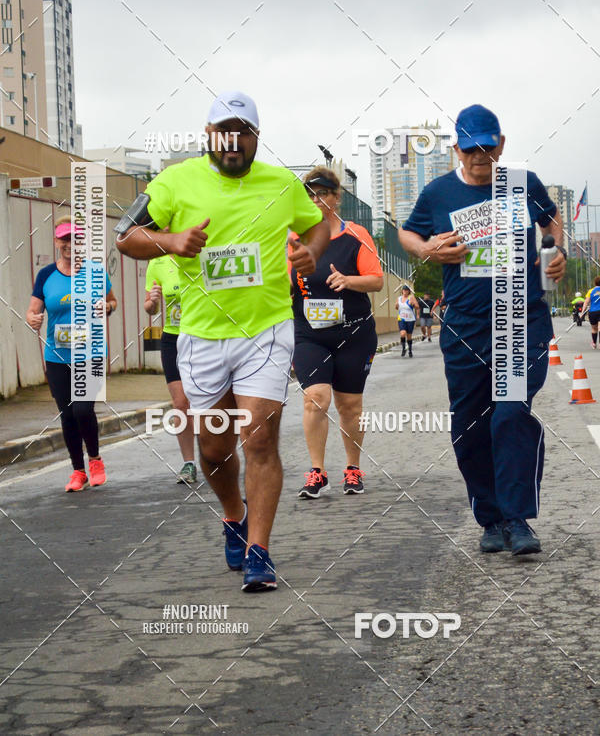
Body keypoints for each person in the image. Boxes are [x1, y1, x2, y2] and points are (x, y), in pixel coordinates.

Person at [116, 90, 329, 591]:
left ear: (256, 137)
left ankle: (259, 550)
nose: (234, 141)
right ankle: (234, 514)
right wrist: (170, 241)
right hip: (201, 335)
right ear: (210, 135)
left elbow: (318, 226)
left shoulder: (282, 184)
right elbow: (125, 236)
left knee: (259, 437)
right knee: (213, 449)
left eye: (244, 132)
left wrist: (311, 254)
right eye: (225, 132)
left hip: (265, 329)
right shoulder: (174, 182)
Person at [398, 104, 566, 556]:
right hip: (466, 325)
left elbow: (550, 219)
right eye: (470, 149)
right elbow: (407, 234)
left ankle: (517, 518)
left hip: (522, 318)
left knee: (510, 413)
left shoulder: (523, 183)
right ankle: (490, 519)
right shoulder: (437, 193)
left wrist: (554, 251)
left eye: (487, 148)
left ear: (501, 145)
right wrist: (430, 249)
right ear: (456, 148)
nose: (479, 157)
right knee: (470, 424)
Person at [291, 167, 384, 499]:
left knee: (350, 406)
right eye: (310, 194)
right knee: (315, 398)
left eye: (322, 194)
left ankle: (352, 468)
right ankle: (317, 472)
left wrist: (348, 280)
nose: (315, 200)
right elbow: (282, 285)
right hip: (310, 335)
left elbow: (376, 280)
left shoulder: (356, 234)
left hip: (353, 334)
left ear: (336, 198)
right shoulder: (294, 238)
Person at [26, 216, 117, 492]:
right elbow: (32, 310)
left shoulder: (96, 272)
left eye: (75, 239)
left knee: (82, 409)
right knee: (67, 414)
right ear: (57, 242)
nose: (69, 244)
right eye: (64, 239)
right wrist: (33, 319)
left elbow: (112, 301)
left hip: (91, 353)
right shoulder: (46, 276)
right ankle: (78, 471)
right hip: (57, 357)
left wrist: (107, 307)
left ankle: (95, 460)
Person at [144, 255, 197, 483]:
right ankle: (189, 463)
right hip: (172, 339)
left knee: (208, 401)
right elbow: (149, 307)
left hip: (202, 337)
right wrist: (153, 302)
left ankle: (217, 456)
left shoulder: (200, 252)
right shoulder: (157, 262)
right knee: (181, 403)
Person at [395, 285, 420, 357]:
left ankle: (410, 350)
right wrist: (396, 305)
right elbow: (396, 308)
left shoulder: (411, 297)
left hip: (410, 319)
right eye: (404, 290)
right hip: (401, 319)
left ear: (409, 291)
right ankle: (403, 349)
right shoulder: (399, 298)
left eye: (406, 290)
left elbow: (417, 307)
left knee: (409, 336)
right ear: (402, 291)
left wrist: (413, 304)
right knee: (402, 334)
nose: (405, 291)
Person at [581, 277, 600, 349]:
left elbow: (586, 302)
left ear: (595, 283)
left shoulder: (591, 291)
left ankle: (594, 343)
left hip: (593, 312)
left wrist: (582, 312)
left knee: (594, 329)